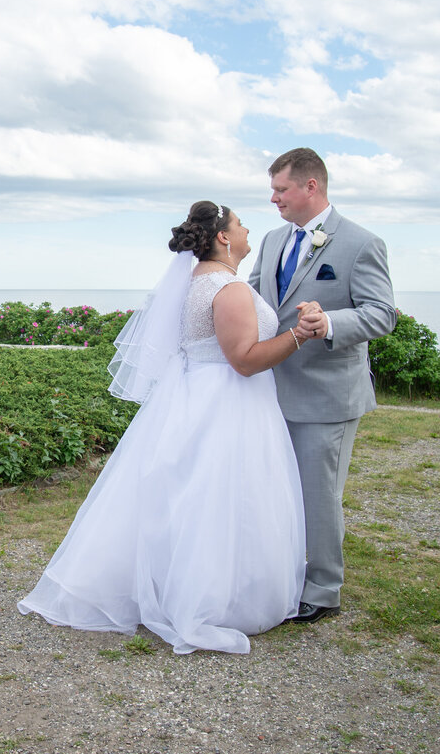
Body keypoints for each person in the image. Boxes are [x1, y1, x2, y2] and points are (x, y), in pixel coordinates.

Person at [18, 201, 311, 655]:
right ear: (224, 238)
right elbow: (245, 360)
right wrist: (298, 336)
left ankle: (174, 584)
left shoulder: (196, 282)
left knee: (193, 497)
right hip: (229, 401)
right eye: (241, 223)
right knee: (224, 498)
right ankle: (215, 600)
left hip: (198, 395)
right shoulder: (228, 288)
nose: (249, 228)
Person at [248, 148, 396, 624]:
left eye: (281, 189)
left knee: (318, 493)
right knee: (276, 489)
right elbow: (254, 298)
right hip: (270, 389)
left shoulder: (361, 243)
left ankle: (323, 588)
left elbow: (381, 314)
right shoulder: (272, 241)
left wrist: (329, 321)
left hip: (327, 394)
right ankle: (284, 573)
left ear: (311, 186)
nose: (273, 199)